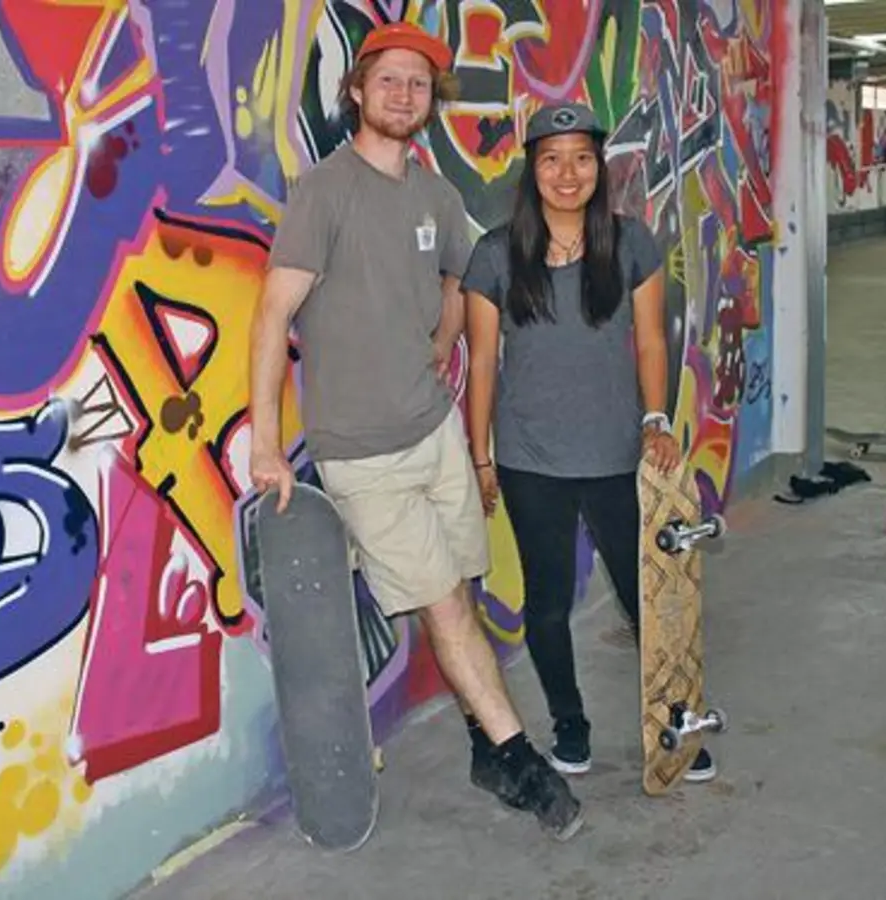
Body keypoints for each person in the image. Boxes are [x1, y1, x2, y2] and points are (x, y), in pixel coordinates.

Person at [247, 21, 583, 840]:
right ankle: (521, 760)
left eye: (420, 83)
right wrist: (264, 442)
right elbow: (272, 316)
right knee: (446, 604)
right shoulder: (326, 192)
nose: (404, 94)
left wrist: (445, 334)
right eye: (388, 79)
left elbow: (465, 274)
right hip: (364, 452)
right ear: (356, 90)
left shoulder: (434, 194)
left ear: (434, 99)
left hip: (433, 434)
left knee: (456, 590)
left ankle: (481, 744)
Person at [460, 102, 718, 780]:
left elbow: (652, 340)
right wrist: (481, 454)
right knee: (547, 604)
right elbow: (482, 362)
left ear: (599, 166)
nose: (566, 172)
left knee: (647, 600)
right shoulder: (494, 254)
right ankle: (570, 725)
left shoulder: (631, 242)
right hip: (529, 459)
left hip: (615, 456)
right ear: (532, 168)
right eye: (551, 158)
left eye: (580, 157)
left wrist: (655, 420)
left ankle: (677, 723)